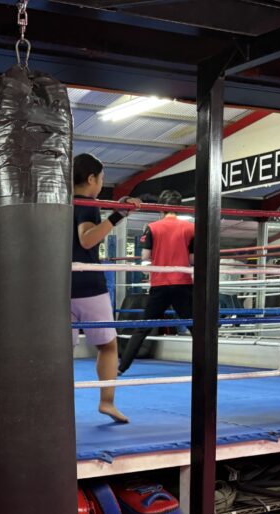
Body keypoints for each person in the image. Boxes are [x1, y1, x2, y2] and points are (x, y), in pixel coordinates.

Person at [70, 153, 140, 423]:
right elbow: (87, 240)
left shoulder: (63, 202)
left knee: (62, 351)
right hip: (89, 286)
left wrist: (116, 209)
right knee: (108, 346)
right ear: (91, 179)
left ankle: (57, 405)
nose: (101, 183)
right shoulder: (88, 204)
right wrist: (117, 215)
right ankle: (107, 402)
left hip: (60, 285)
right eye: (101, 178)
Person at [118, 189, 195, 375]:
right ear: (179, 207)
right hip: (182, 283)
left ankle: (122, 367)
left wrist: (156, 264)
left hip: (160, 284)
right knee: (196, 327)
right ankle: (207, 365)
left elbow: (145, 258)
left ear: (161, 207)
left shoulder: (152, 227)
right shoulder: (191, 228)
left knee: (143, 328)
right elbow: (192, 259)